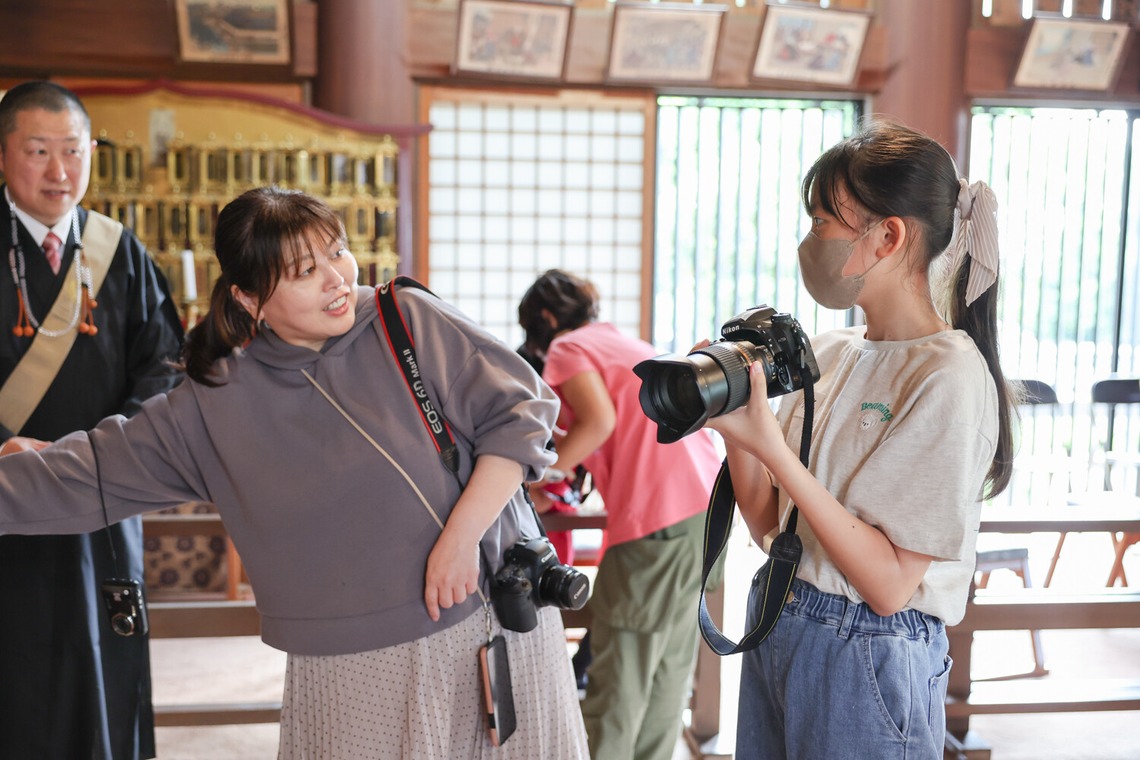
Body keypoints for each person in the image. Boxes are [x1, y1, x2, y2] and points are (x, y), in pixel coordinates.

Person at [0, 185, 589, 759]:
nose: (337, 278)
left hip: (485, 622)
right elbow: (89, 473)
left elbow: (520, 416)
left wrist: (460, 540)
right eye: (306, 271)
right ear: (249, 298)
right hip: (348, 659)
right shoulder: (215, 401)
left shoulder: (404, 319)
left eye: (337, 251)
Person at [704, 119, 1015, 759]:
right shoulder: (830, 351)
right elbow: (769, 529)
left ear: (888, 236)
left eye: (823, 223)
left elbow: (889, 586)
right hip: (781, 615)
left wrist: (773, 449)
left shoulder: (948, 375)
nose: (810, 241)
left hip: (869, 648)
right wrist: (738, 425)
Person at [0, 81, 184, 760]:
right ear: (3, 154)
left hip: (101, 492)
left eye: (73, 151)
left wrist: (121, 447)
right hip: (4, 492)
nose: (59, 170)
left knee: (105, 653)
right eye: (38, 151)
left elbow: (164, 364)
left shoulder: (118, 250)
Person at [518, 269, 722, 760]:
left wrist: (530, 480)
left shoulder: (567, 346)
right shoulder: (620, 342)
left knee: (619, 675)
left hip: (657, 519)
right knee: (667, 671)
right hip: (706, 507)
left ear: (546, 319)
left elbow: (599, 423)